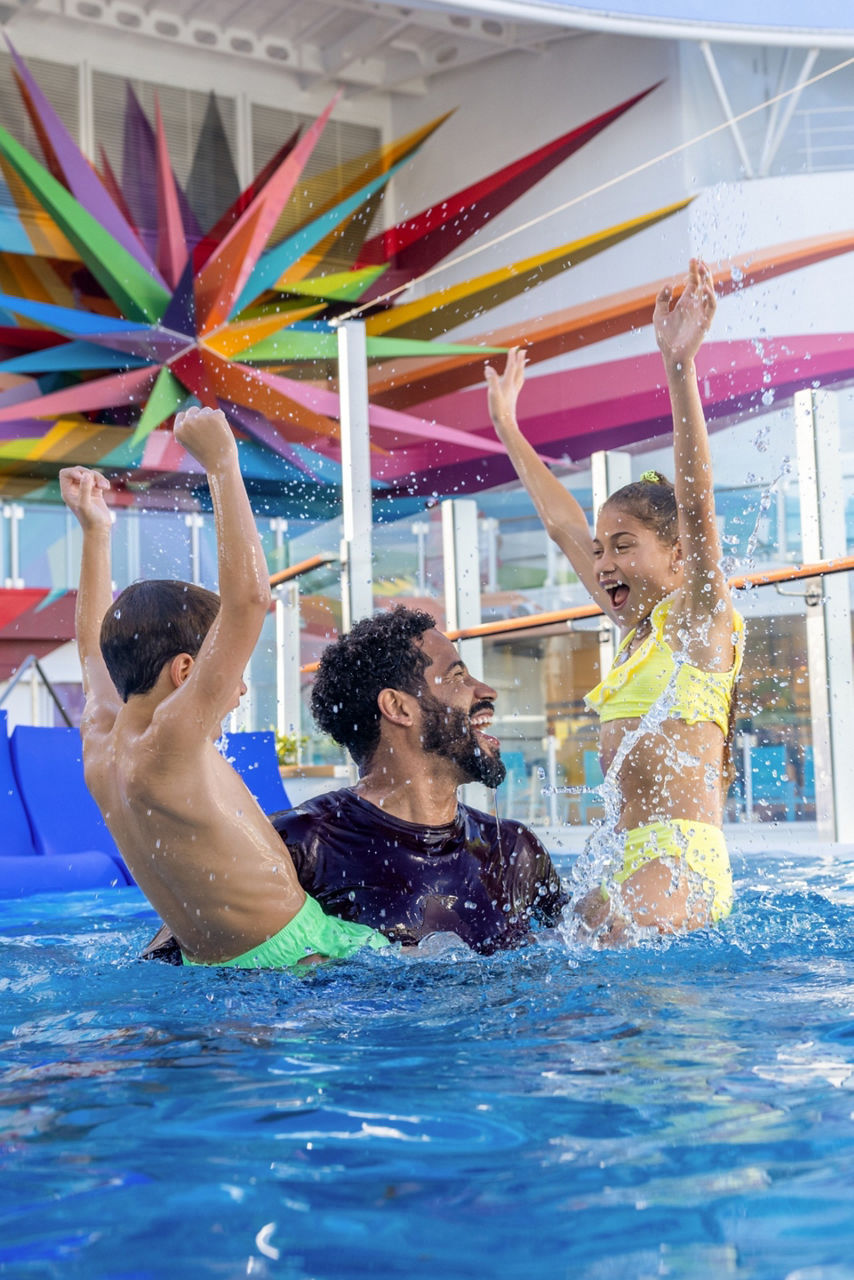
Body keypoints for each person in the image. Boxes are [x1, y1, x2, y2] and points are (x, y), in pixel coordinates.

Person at [60, 406, 388, 970]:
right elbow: (249, 602)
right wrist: (222, 464)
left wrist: (96, 530)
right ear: (186, 673)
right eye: (226, 670)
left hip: (210, 967)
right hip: (298, 959)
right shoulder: (170, 741)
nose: (236, 688)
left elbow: (93, 647)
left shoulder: (102, 744)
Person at [485, 259, 743, 938]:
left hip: (679, 860)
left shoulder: (699, 620)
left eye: (622, 545)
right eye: (601, 550)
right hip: (626, 857)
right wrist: (508, 427)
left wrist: (679, 366)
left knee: (612, 955)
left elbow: (696, 497)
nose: (602, 563)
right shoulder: (636, 630)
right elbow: (560, 523)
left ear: (680, 554)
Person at [145, 606, 568, 963]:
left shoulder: (515, 851)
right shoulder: (294, 848)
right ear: (398, 707)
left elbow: (580, 957)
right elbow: (165, 978)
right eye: (457, 676)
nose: (485, 691)